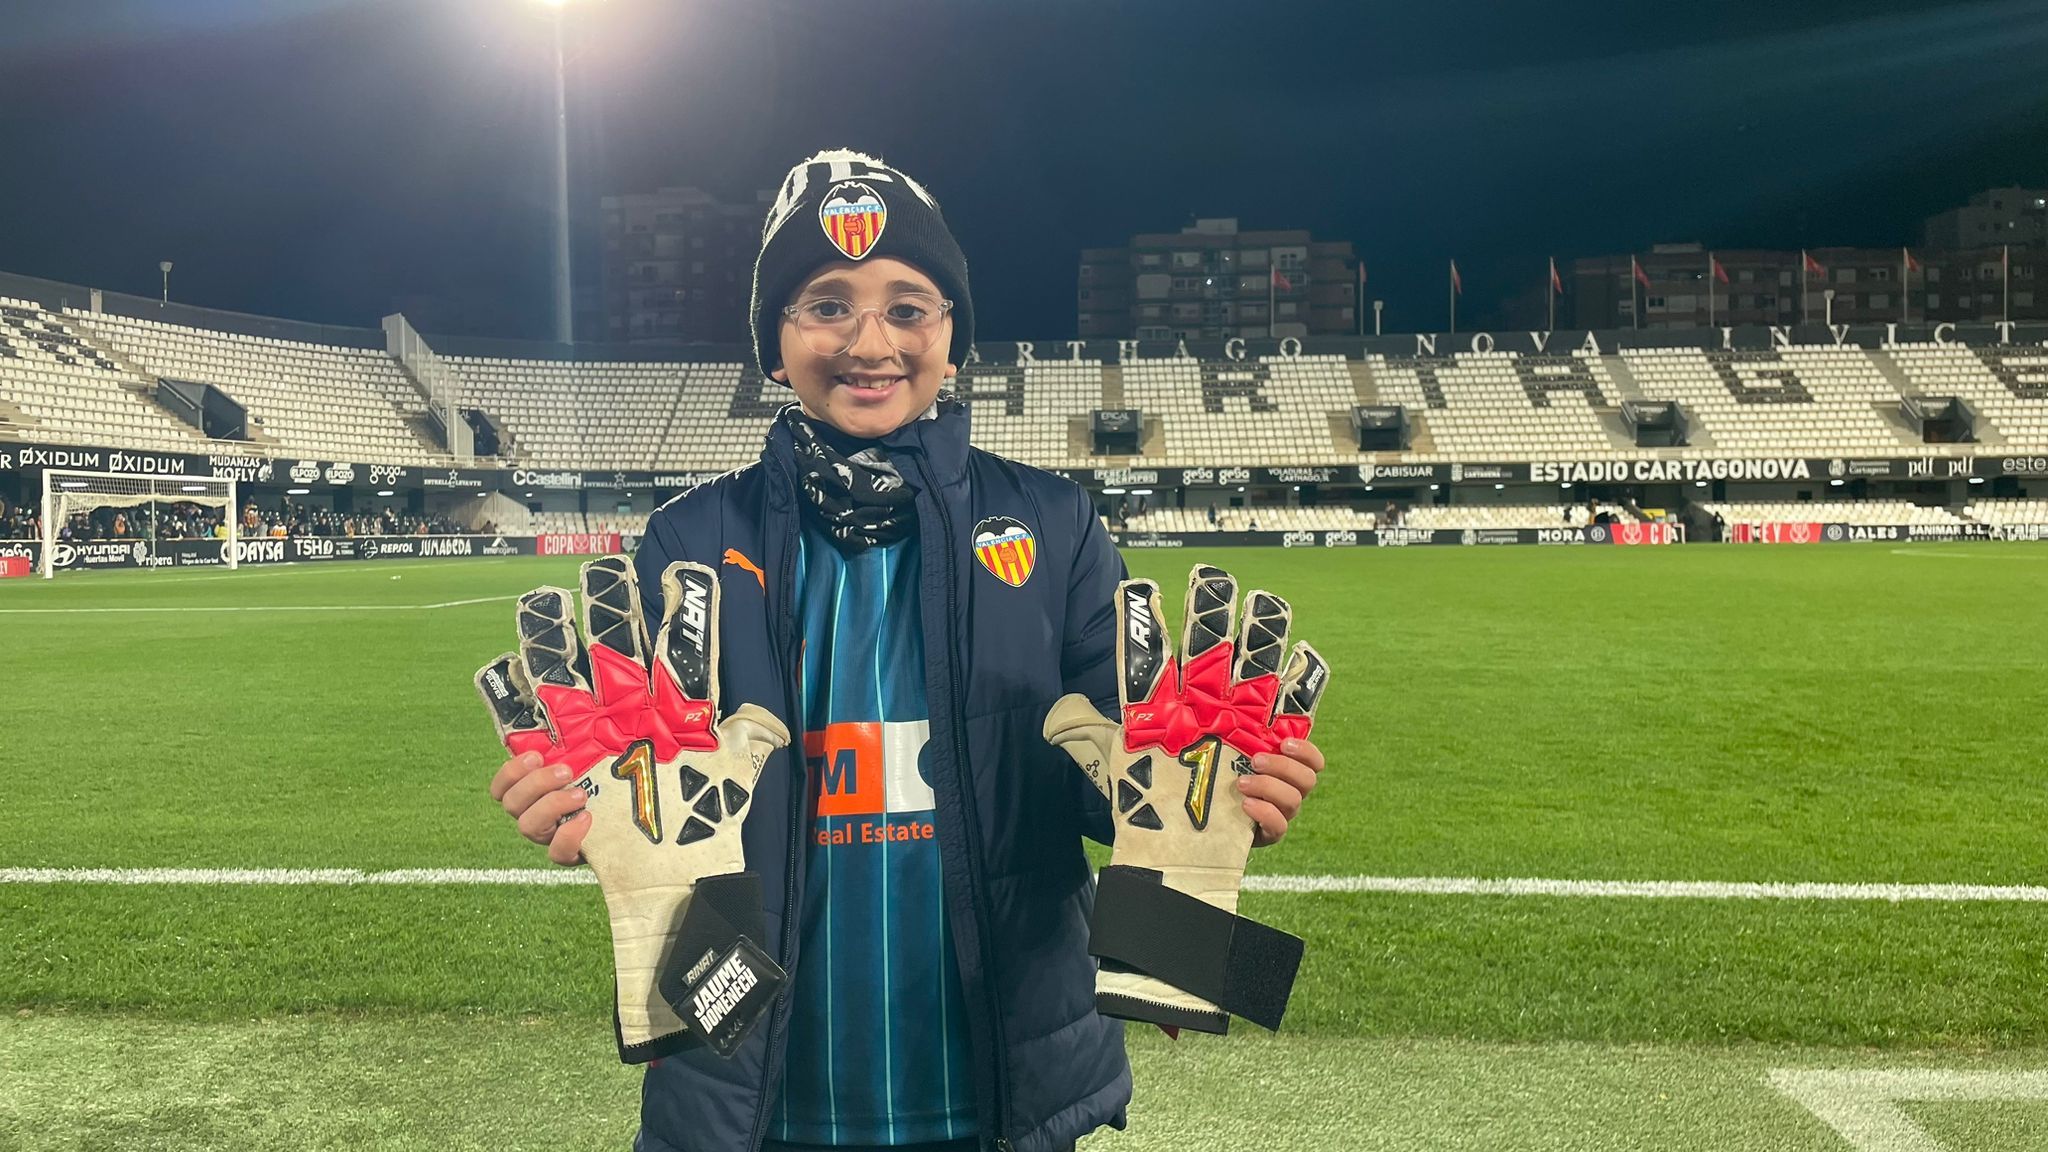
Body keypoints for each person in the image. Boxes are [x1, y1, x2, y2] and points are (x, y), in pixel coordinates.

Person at [488, 150, 1326, 1152]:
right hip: (755, 1097)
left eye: (908, 306)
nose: (869, 340)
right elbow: (651, 801)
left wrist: (1212, 833)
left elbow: (1131, 777)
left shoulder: (1053, 523)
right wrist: (575, 807)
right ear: (774, 342)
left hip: (1004, 1099)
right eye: (824, 304)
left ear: (953, 336)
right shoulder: (689, 540)